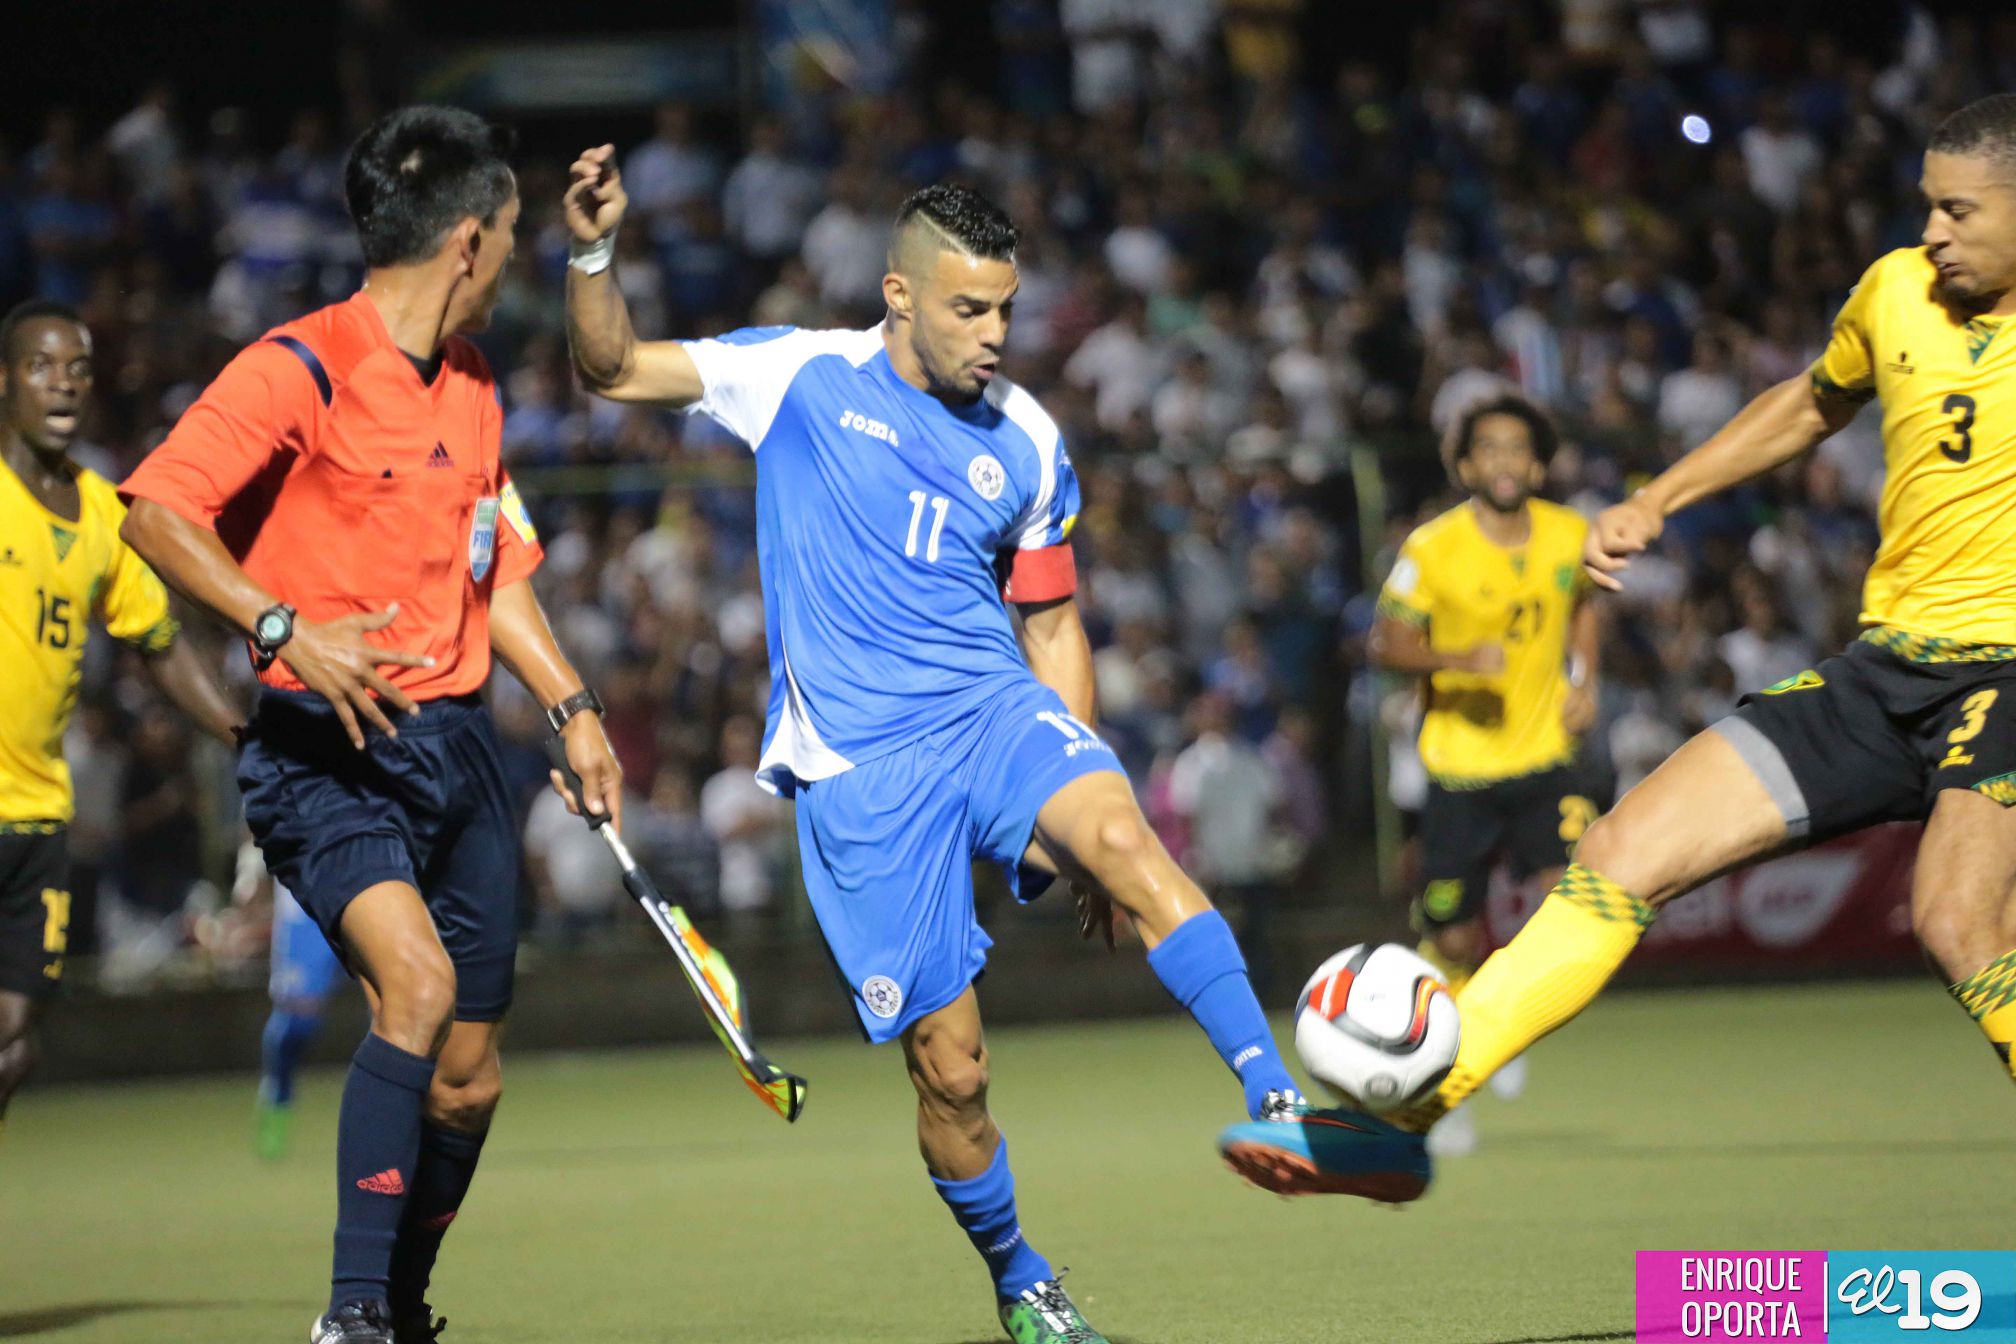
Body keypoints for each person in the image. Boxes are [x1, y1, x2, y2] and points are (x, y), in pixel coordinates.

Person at [563, 158, 1326, 1343]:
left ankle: (1277, 1096)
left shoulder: (1026, 436)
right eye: (970, 308)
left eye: (1008, 309)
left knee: (1127, 840)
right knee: (953, 1074)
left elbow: (1056, 620)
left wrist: (1070, 785)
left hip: (989, 712)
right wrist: (596, 255)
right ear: (900, 296)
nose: (997, 335)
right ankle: (1022, 1277)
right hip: (861, 772)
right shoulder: (799, 374)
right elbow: (610, 367)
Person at [1223, 90, 2016, 1200]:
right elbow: (1808, 401)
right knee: (1619, 856)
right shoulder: (1896, 291)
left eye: (1959, 212)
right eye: (1928, 205)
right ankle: (1404, 1124)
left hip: (2009, 674)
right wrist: (1663, 498)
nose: (1932, 231)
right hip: (1885, 672)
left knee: (1954, 921)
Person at [119, 107, 621, 1344]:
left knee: (470, 1074)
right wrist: (280, 624)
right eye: (509, 237)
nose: (510, 261)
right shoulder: (294, 366)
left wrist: (572, 709)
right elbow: (157, 514)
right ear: (468, 239)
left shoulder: (476, 384)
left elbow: (495, 575)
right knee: (418, 987)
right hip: (321, 754)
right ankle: (350, 1316)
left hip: (458, 753)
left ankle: (402, 1302)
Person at [0, 300, 240, 1136]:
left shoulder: (104, 511)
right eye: (41, 366)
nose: (62, 384)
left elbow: (160, 642)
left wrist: (241, 736)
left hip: (37, 817)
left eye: (77, 369)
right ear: (4, 381)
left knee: (16, 1046)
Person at [1364, 393, 1602, 1153]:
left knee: (1565, 906)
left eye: (1518, 448)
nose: (1504, 461)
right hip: (1459, 769)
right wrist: (1455, 661)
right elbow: (1385, 642)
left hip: (1543, 761)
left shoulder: (1571, 535)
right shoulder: (1432, 548)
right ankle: (1448, 1072)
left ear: (1538, 463)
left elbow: (1587, 602)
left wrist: (1584, 678)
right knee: (1454, 936)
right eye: (1488, 449)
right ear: (1466, 465)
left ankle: (1505, 1023)